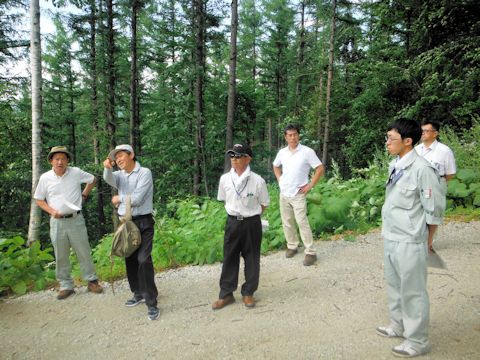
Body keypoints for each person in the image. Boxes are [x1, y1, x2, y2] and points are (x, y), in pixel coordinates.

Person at [377, 119, 445, 358]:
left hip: (411, 239)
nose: (387, 142)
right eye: (386, 137)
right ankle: (398, 325)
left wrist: (428, 241)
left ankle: (417, 340)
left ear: (407, 141)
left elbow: (433, 211)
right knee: (395, 284)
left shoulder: (423, 169)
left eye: (391, 139)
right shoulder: (395, 165)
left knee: (413, 291)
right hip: (392, 235)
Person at [34, 146, 103, 300]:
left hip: (76, 219)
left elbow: (93, 180)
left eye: (63, 158)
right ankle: (66, 286)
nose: (60, 162)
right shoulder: (45, 178)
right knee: (61, 254)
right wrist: (52, 211)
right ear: (51, 161)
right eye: (56, 159)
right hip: (57, 222)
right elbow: (38, 199)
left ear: (67, 160)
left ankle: (92, 281)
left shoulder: (76, 172)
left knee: (83, 250)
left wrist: (84, 194)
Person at [103, 144, 159, 321]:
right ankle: (138, 293)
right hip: (126, 223)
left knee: (143, 260)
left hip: (144, 222)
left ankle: (152, 302)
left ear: (131, 155)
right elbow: (108, 179)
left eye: (121, 156)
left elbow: (138, 198)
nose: (118, 159)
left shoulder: (144, 173)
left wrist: (119, 198)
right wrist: (107, 168)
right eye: (115, 157)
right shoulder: (119, 175)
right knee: (131, 259)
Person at [212, 144, 269, 310]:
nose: (234, 160)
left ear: (247, 159)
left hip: (251, 223)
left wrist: (249, 213)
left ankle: (248, 292)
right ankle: (226, 294)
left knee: (252, 258)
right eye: (232, 156)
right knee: (229, 257)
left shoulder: (258, 180)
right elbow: (224, 199)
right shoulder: (225, 179)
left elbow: (264, 203)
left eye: (238, 156)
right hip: (232, 222)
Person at [272, 124, 324, 266]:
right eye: (290, 135)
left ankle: (310, 252)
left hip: (298, 193)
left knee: (302, 222)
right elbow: (275, 166)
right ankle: (292, 246)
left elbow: (319, 168)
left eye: (295, 134)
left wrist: (310, 185)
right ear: (285, 137)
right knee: (287, 222)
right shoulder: (282, 152)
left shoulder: (307, 152)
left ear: (298, 135)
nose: (293, 137)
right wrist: (279, 179)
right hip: (284, 192)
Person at [415, 119, 456, 251]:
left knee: (433, 214)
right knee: (416, 213)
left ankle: (428, 243)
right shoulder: (416, 150)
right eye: (422, 131)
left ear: (435, 133)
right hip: (418, 185)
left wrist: (438, 183)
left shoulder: (444, 151)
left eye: (426, 131)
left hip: (436, 184)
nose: (423, 134)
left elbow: (450, 173)